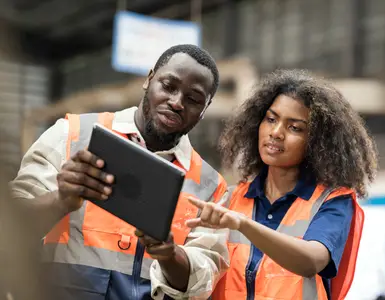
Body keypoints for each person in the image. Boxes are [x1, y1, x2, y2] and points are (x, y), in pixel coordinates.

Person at [9, 44, 229, 300]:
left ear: (205, 109)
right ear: (149, 79)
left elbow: (202, 280)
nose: (177, 102)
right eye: (168, 86)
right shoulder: (72, 135)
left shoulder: (210, 186)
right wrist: (60, 200)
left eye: (193, 99)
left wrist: (169, 254)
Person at [186, 69, 378, 300]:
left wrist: (243, 224)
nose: (276, 133)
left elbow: (311, 261)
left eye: (294, 128)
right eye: (271, 119)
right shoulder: (230, 198)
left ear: (317, 142)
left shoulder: (332, 202)